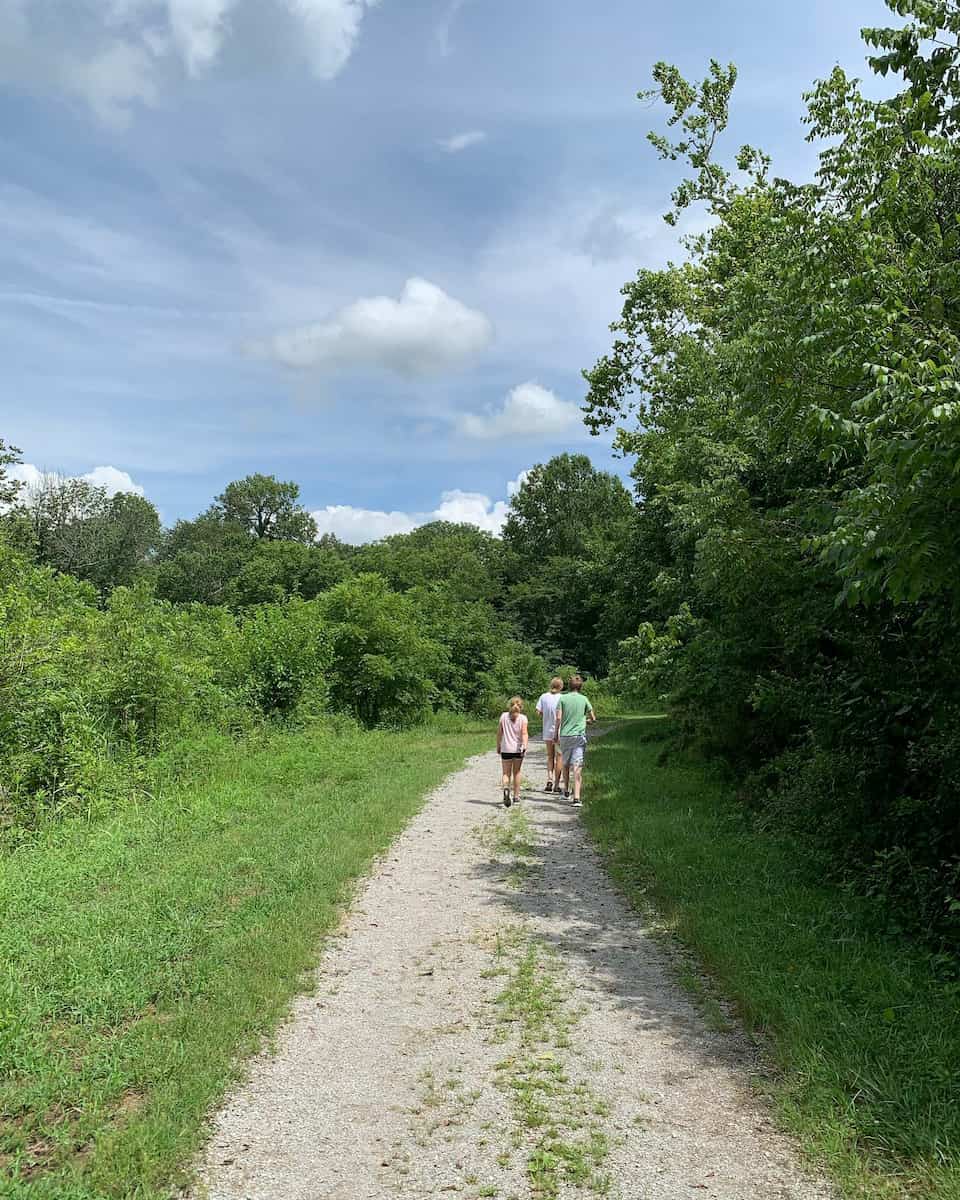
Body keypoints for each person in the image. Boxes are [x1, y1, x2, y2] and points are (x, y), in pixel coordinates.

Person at [555, 675, 596, 807]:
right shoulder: (584, 699)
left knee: (565, 764)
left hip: (565, 736)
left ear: (569, 685)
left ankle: (566, 791)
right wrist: (586, 721)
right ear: (580, 687)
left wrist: (556, 733)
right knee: (577, 766)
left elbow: (559, 718)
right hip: (578, 736)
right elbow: (593, 718)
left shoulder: (563, 698)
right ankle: (577, 798)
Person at [496, 696, 528, 808]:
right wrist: (524, 745)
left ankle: (506, 788)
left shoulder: (503, 716)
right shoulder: (523, 718)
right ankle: (516, 796)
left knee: (506, 773)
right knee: (517, 772)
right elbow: (524, 733)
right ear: (521, 707)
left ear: (509, 705)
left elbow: (499, 733)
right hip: (518, 750)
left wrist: (498, 745)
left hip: (506, 749)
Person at [536, 676, 565, 792]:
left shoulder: (543, 697)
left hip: (547, 730)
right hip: (559, 731)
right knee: (559, 757)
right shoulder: (562, 698)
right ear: (561, 687)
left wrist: (546, 716)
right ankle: (557, 784)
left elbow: (538, 712)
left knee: (549, 756)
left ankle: (549, 779)